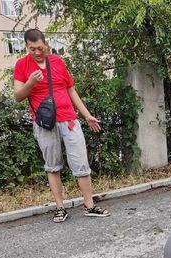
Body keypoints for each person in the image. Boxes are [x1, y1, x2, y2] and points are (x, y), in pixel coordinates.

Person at [13, 29, 109, 223]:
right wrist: (31, 82)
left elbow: (71, 90)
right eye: (32, 49)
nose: (37, 52)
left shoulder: (57, 61)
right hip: (45, 123)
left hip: (69, 119)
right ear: (26, 47)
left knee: (81, 163)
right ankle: (60, 208)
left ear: (46, 44)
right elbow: (18, 96)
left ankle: (89, 205)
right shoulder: (22, 65)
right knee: (52, 166)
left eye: (39, 48)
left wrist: (87, 115)